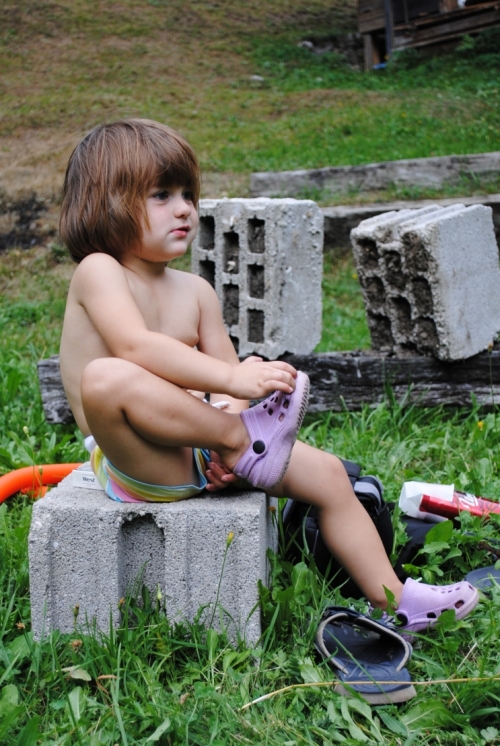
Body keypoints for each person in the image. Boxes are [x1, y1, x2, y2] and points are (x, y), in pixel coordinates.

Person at [58, 118, 478, 638]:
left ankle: (395, 598)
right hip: (139, 459)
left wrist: (231, 418)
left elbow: (225, 387)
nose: (184, 208)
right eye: (162, 195)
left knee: (328, 476)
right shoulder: (99, 271)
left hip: (209, 446)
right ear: (107, 203)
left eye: (188, 194)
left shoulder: (196, 292)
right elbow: (135, 347)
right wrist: (234, 389)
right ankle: (240, 441)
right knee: (106, 376)